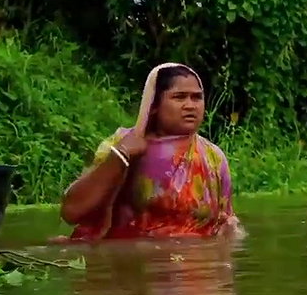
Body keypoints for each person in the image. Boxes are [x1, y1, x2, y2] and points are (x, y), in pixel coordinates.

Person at [59, 62, 243, 240]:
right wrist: (121, 155)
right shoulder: (122, 144)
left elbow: (225, 223)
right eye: (179, 97)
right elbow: (72, 211)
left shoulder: (212, 156)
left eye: (197, 97)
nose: (190, 105)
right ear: (154, 105)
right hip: (133, 263)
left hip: (196, 263)